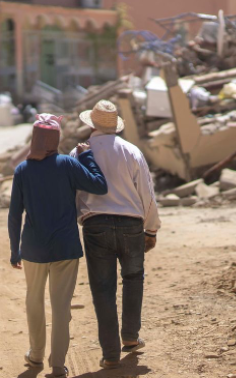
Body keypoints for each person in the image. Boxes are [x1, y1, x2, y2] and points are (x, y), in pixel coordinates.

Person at [8, 114, 108, 378]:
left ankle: (36, 355)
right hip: (65, 248)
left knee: (34, 301)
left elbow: (14, 214)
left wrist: (13, 250)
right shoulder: (66, 164)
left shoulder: (22, 170)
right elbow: (99, 186)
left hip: (32, 249)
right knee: (61, 307)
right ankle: (58, 364)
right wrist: (86, 158)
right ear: (56, 138)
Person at [69, 100, 161, 369]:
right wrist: (151, 229)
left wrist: (78, 219)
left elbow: (73, 193)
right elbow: (147, 193)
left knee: (102, 289)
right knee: (133, 278)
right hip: (131, 224)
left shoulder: (79, 153)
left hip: (95, 225)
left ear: (91, 124)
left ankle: (110, 354)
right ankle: (131, 337)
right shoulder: (131, 150)